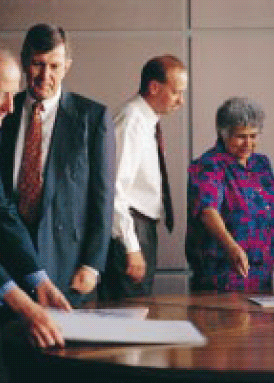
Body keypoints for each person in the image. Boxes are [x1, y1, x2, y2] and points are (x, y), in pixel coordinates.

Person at [0, 42, 72, 350]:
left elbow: (0, 212)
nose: (10, 107)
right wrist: (21, 302)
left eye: (12, 93)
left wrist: (38, 280)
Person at [0, 24, 115, 308]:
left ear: (67, 67)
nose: (45, 75)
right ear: (24, 60)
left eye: (54, 65)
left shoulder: (93, 117)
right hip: (9, 260)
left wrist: (92, 264)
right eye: (38, 64)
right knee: (12, 348)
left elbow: (104, 197)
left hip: (69, 264)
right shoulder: (3, 111)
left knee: (65, 349)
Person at [98, 55, 188, 300]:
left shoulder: (146, 121)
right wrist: (132, 247)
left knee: (137, 309)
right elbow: (113, 189)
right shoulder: (132, 121)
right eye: (176, 92)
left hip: (142, 227)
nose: (181, 101)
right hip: (131, 229)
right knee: (128, 314)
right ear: (154, 87)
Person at [186, 97, 274, 292]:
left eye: (253, 136)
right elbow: (207, 211)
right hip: (222, 273)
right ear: (223, 134)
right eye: (240, 136)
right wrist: (231, 246)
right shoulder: (209, 164)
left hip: (262, 275)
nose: (248, 143)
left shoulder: (261, 164)